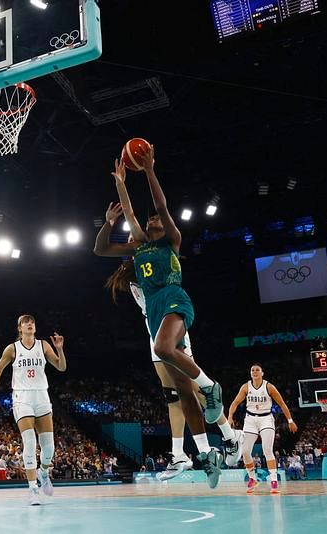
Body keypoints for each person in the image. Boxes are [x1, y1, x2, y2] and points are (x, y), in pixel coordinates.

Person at [94, 145, 224, 487]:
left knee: (170, 357)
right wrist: (118, 192)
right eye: (149, 219)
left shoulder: (172, 241)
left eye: (156, 219)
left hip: (174, 301)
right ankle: (205, 452)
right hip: (154, 313)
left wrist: (149, 170)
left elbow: (160, 206)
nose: (152, 219)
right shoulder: (139, 247)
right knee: (180, 390)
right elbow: (103, 246)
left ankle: (213, 392)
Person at [103, 243, 244, 480]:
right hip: (153, 329)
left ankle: (230, 437)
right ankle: (179, 454)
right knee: (172, 395)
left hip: (169, 325)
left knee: (195, 391)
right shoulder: (135, 273)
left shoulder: (154, 262)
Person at [0, 315, 67, 505]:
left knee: (49, 447)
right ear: (20, 328)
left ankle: (44, 472)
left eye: (32, 322)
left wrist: (59, 349)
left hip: (41, 396)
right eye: (26, 323)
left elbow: (61, 367)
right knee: (29, 442)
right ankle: (32, 489)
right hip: (22, 398)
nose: (30, 324)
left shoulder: (43, 346)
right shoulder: (12, 349)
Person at [227, 363, 298, 494]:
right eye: (252, 370)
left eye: (257, 370)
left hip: (266, 419)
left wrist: (290, 420)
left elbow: (282, 403)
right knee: (245, 451)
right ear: (250, 373)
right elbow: (235, 402)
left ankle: (274, 480)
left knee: (267, 450)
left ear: (262, 373)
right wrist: (230, 416)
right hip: (250, 420)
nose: (254, 372)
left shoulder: (269, 387)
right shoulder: (245, 387)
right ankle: (252, 478)